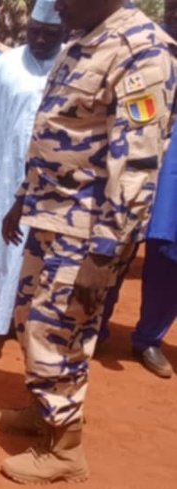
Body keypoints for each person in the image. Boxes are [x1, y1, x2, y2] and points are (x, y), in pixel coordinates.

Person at [0, 1, 177, 483]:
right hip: (48, 215)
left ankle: (66, 451)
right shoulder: (82, 41)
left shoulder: (143, 50)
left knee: (60, 333)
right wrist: (21, 199)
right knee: (29, 321)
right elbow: (52, 132)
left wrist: (108, 252)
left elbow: (137, 163)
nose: (59, 6)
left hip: (88, 231)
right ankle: (43, 414)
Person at [0, 1, 64, 352]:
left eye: (50, 35)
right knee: (0, 245)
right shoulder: (3, 66)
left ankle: (26, 326)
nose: (40, 40)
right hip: (3, 176)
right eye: (35, 32)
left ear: (63, 32)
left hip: (53, 183)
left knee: (41, 254)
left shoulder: (72, 68)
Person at [97, 0, 177, 379]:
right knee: (115, 247)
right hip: (129, 170)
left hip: (172, 178)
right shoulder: (143, 46)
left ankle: (148, 338)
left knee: (169, 254)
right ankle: (95, 325)